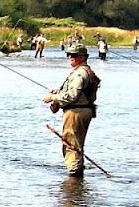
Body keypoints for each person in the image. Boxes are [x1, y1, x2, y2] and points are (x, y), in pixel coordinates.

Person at [42, 44, 100, 177]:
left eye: (73, 55)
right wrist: (59, 91)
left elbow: (73, 96)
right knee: (76, 143)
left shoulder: (79, 73)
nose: (70, 58)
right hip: (84, 110)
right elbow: (79, 92)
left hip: (75, 113)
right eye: (69, 55)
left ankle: (74, 175)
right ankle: (77, 173)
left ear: (82, 57)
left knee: (71, 143)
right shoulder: (86, 70)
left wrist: (53, 97)